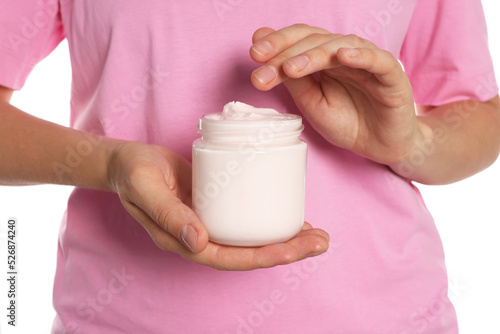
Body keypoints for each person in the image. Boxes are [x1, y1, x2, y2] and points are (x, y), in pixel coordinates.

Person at [0, 0, 499, 333]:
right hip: (124, 316)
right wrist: (110, 164)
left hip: (380, 314)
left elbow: (478, 114)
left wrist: (408, 141)